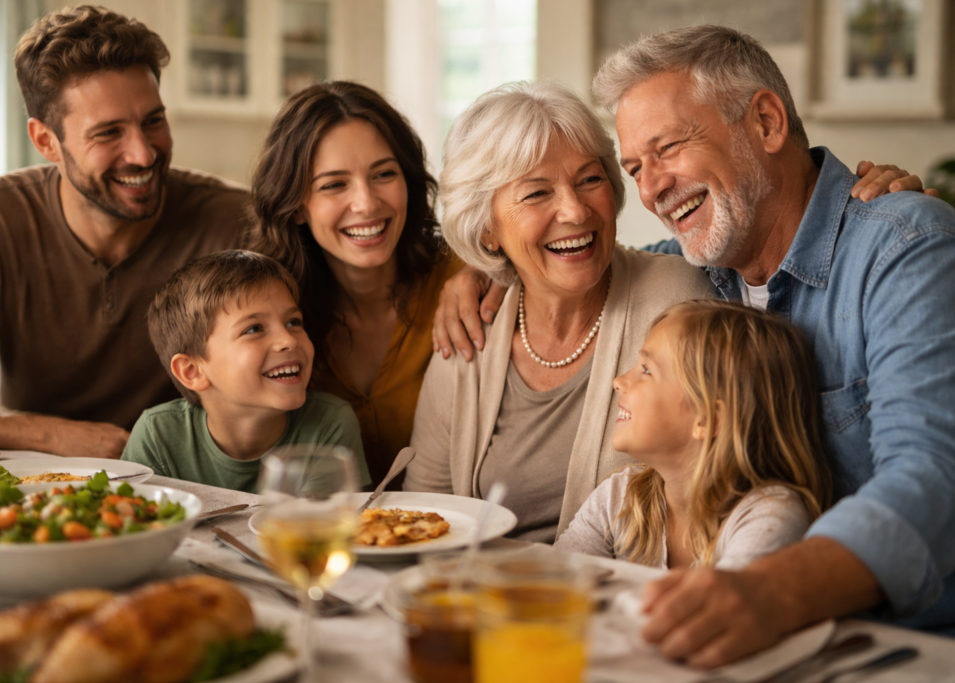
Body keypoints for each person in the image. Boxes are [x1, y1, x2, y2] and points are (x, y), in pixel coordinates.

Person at [582, 25, 955, 666]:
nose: (649, 191)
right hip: (743, 643)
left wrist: (768, 592)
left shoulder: (905, 246)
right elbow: (569, 272)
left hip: (900, 650)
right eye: (635, 168)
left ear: (766, 122)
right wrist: (476, 273)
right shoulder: (694, 270)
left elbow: (932, 477)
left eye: (668, 148)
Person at [0, 6, 248, 466]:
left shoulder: (234, 221)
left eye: (153, 121)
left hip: (191, 486)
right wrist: (55, 436)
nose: (142, 153)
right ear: (46, 142)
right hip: (32, 490)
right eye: (108, 133)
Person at [403, 81, 715, 543]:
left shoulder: (679, 302)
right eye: (536, 194)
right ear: (487, 229)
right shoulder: (469, 330)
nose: (574, 210)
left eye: (590, 179)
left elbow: (729, 486)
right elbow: (422, 518)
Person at [248, 81, 462, 486]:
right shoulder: (260, 311)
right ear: (295, 205)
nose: (366, 202)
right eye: (334, 184)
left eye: (383, 174)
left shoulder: (463, 281)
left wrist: (486, 274)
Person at [555, 299, 829, 571]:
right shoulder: (618, 497)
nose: (619, 382)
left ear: (708, 420)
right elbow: (553, 582)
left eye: (647, 370)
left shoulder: (771, 516)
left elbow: (718, 611)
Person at [121, 250, 369, 493]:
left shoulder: (330, 424)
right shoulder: (157, 435)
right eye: (253, 329)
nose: (288, 340)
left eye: (293, 322)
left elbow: (320, 530)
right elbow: (136, 527)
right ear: (192, 371)